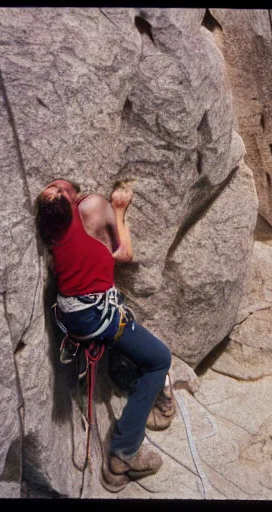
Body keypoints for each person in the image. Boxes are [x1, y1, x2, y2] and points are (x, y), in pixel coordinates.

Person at [35, 178, 176, 492]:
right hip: (96, 317)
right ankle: (123, 456)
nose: (60, 189)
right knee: (159, 359)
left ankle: (132, 382)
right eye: (63, 191)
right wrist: (119, 209)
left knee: (127, 328)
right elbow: (124, 252)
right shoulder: (86, 224)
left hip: (74, 314)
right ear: (74, 203)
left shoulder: (55, 230)